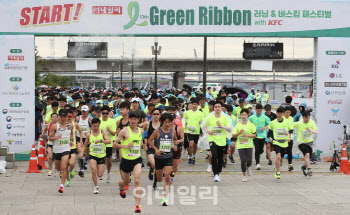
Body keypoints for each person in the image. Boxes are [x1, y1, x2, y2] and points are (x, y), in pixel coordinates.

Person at [114, 113, 144, 213]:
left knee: (136, 179)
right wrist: (126, 146)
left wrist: (142, 145)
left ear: (138, 120)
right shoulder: (124, 131)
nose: (133, 120)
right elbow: (115, 144)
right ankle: (121, 187)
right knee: (125, 182)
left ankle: (137, 205)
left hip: (137, 159)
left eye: (135, 119)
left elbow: (139, 141)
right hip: (126, 160)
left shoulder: (141, 130)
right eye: (131, 119)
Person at [147, 113, 178, 206]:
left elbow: (175, 139)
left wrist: (175, 145)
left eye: (169, 122)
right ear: (162, 122)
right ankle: (153, 169)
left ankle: (165, 198)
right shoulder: (157, 131)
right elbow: (149, 140)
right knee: (160, 179)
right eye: (165, 122)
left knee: (168, 176)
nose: (167, 124)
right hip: (159, 158)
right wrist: (156, 149)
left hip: (168, 156)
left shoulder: (172, 131)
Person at [202, 101, 232, 182]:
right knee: (214, 156)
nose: (217, 108)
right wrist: (208, 131)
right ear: (213, 108)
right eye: (216, 107)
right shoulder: (210, 117)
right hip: (212, 139)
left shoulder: (225, 118)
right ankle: (215, 174)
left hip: (222, 140)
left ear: (221, 108)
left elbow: (230, 129)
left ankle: (218, 172)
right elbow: (203, 126)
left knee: (220, 157)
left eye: (219, 107)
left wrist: (221, 126)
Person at [82, 118, 110, 194]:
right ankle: (96, 187)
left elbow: (109, 141)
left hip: (101, 155)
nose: (96, 128)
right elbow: (85, 145)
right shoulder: (89, 134)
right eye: (94, 126)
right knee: (93, 171)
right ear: (91, 125)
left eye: (97, 126)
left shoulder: (102, 132)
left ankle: (97, 174)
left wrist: (101, 141)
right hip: (92, 155)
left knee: (100, 175)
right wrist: (82, 153)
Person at [49, 109, 74, 193]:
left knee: (64, 167)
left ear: (67, 117)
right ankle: (63, 172)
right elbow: (50, 137)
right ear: (59, 117)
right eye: (61, 116)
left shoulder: (70, 125)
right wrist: (56, 138)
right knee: (58, 167)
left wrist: (71, 140)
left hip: (66, 149)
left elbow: (71, 134)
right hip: (57, 149)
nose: (63, 118)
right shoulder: (55, 126)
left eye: (64, 116)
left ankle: (61, 186)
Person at [268, 107, 293, 179]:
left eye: (281, 113)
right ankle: (278, 172)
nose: (279, 114)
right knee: (278, 157)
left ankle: (276, 167)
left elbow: (291, 129)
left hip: (284, 143)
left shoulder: (287, 122)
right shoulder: (273, 122)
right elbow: (270, 131)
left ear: (283, 114)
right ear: (276, 113)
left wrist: (288, 133)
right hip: (276, 142)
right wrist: (270, 137)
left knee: (281, 159)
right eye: (278, 113)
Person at [233, 109, 257, 182]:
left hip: (249, 145)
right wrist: (239, 132)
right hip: (241, 145)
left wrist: (247, 135)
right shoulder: (238, 125)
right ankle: (244, 176)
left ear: (247, 115)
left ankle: (247, 167)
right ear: (240, 116)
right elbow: (234, 135)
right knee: (243, 160)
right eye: (242, 115)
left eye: (245, 115)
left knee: (249, 161)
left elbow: (255, 135)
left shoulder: (251, 125)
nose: (243, 116)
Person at [293, 111, 318, 177]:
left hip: (310, 143)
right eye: (306, 118)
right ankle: (309, 169)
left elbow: (316, 131)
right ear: (303, 117)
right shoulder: (299, 123)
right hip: (301, 143)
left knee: (308, 157)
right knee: (307, 155)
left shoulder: (312, 122)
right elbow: (290, 126)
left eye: (308, 118)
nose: (307, 120)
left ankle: (304, 166)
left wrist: (310, 131)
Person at [248, 104, 270, 170]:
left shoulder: (265, 117)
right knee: (257, 149)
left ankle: (259, 153)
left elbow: (269, 124)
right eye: (258, 110)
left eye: (260, 111)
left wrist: (265, 127)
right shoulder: (251, 117)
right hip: (255, 136)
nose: (259, 112)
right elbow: (248, 124)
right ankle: (257, 163)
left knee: (261, 150)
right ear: (255, 110)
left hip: (263, 135)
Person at [143, 108, 161, 189]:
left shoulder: (163, 124)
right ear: (152, 114)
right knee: (153, 164)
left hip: (160, 148)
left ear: (160, 115)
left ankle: (155, 183)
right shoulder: (147, 124)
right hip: (150, 147)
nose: (156, 116)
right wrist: (144, 144)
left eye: (157, 114)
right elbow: (140, 132)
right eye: (154, 114)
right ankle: (151, 169)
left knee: (157, 166)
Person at [65, 109, 83, 187]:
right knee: (65, 166)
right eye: (67, 116)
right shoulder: (61, 124)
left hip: (73, 147)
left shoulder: (75, 124)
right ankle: (68, 180)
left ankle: (71, 170)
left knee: (72, 164)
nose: (69, 117)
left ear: (72, 116)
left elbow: (80, 131)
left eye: (70, 116)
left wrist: (81, 140)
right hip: (64, 147)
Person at [99, 105, 116, 183]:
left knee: (108, 160)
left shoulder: (112, 121)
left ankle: (108, 173)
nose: (105, 115)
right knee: (100, 159)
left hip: (109, 143)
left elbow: (113, 134)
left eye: (106, 113)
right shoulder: (98, 120)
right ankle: (100, 173)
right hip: (100, 143)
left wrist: (108, 130)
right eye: (103, 113)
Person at [184, 99, 204, 165]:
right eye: (193, 104)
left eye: (196, 104)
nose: (194, 105)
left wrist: (201, 123)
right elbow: (184, 119)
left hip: (196, 131)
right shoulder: (187, 112)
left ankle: (193, 156)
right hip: (189, 131)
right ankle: (190, 157)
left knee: (195, 145)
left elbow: (203, 122)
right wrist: (185, 123)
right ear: (191, 105)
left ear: (198, 105)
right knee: (191, 144)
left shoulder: (200, 113)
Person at [76, 105, 92, 177]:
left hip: (87, 138)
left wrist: (89, 133)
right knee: (81, 152)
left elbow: (93, 128)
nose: (83, 113)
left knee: (87, 154)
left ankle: (85, 161)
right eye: (82, 111)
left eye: (85, 111)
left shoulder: (90, 119)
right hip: (79, 138)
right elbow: (74, 126)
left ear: (88, 112)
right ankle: (81, 169)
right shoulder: (78, 118)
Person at [283, 106, 295, 171]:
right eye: (287, 111)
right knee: (283, 151)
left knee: (290, 151)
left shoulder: (291, 118)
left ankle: (290, 164)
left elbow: (292, 128)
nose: (288, 113)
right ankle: (279, 163)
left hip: (290, 137)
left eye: (289, 112)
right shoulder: (281, 118)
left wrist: (289, 136)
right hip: (282, 137)